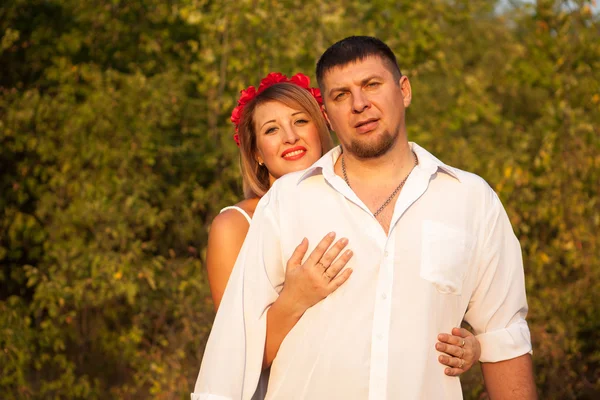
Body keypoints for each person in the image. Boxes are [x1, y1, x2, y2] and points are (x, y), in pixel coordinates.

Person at [194, 42, 530, 397]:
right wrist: (295, 298)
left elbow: (503, 337)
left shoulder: (471, 199)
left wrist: (475, 347)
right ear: (328, 113)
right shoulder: (283, 204)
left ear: (404, 90)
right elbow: (231, 350)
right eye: (341, 95)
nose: (359, 104)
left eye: (372, 85)